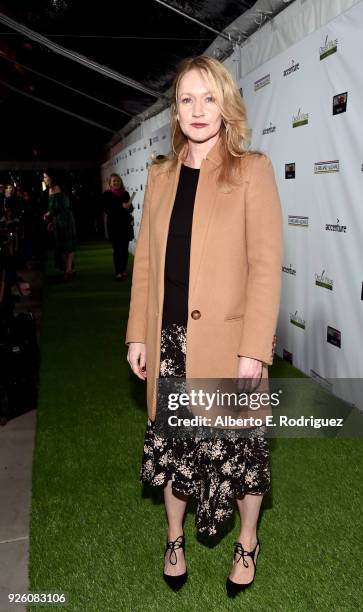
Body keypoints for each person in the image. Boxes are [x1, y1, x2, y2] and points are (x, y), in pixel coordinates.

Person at [126, 55, 283, 597]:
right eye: (187, 98)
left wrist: (255, 351)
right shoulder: (158, 175)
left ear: (226, 105)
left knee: (241, 453)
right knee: (173, 449)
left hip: (228, 346)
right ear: (175, 108)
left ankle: (248, 541)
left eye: (208, 97)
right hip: (169, 346)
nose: (198, 109)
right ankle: (174, 539)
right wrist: (138, 333)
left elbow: (265, 268)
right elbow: (145, 260)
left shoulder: (252, 170)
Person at [43, 170, 76, 281]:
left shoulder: (55, 188)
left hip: (64, 220)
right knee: (64, 246)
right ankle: (68, 270)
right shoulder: (53, 189)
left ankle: (68, 270)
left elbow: (57, 207)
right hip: (60, 220)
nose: (45, 179)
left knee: (66, 245)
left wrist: (48, 215)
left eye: (46, 177)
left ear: (52, 178)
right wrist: (51, 219)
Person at [101, 174, 133, 279]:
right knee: (117, 249)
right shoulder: (106, 195)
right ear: (110, 183)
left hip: (125, 225)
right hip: (114, 226)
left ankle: (123, 270)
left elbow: (131, 209)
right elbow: (107, 209)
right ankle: (118, 272)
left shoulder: (125, 194)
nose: (116, 183)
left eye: (118, 181)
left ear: (121, 182)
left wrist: (128, 207)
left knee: (124, 249)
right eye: (114, 181)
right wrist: (121, 206)